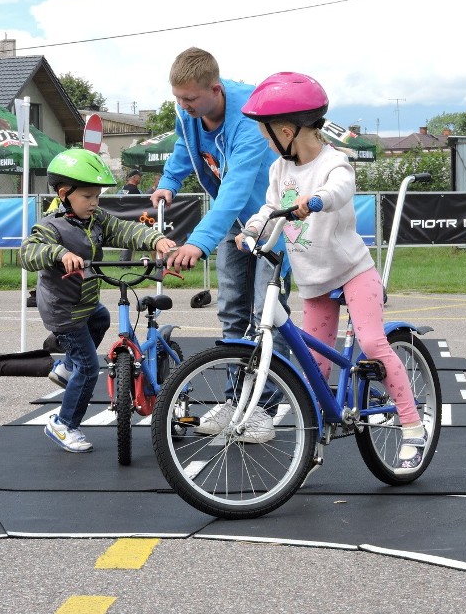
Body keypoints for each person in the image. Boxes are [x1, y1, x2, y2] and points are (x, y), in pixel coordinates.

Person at [234, 71, 427, 471]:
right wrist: (252, 230)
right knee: (312, 365)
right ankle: (313, 444)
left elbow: (340, 189)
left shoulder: (334, 162)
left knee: (373, 343)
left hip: (352, 271)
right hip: (313, 280)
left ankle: (412, 426)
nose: (265, 141)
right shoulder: (278, 170)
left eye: (267, 134)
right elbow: (269, 210)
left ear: (287, 130)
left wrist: (317, 200)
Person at [150, 47, 290, 443]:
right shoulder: (188, 111)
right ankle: (236, 399)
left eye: (190, 99)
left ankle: (264, 409)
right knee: (232, 309)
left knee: (267, 311)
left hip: (272, 218)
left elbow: (236, 187)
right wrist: (168, 182)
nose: (183, 105)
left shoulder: (249, 116)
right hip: (234, 220)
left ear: (215, 88)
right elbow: (185, 146)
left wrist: (198, 242)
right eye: (178, 98)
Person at [20, 149, 175, 453]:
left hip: (87, 304)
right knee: (90, 369)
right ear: (65, 194)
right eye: (88, 196)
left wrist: (155, 239)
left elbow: (124, 229)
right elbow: (28, 252)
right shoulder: (50, 227)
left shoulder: (96, 219)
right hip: (63, 311)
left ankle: (66, 366)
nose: (94, 203)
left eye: (97, 197)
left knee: (102, 318)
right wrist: (60, 254)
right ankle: (63, 424)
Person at [119, 169, 143, 260]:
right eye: (139, 176)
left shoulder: (123, 189)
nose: (140, 178)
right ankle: (125, 262)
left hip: (122, 217)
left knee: (124, 239)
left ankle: (124, 261)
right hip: (132, 219)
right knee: (129, 239)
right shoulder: (135, 191)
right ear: (134, 177)